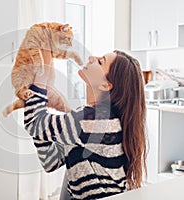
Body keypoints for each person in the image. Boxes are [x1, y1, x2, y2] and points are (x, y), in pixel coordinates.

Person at [23, 50, 147, 200]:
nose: (91, 58)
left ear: (105, 85)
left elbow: (34, 123)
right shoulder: (95, 119)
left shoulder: (95, 122)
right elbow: (50, 161)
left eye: (100, 61)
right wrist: (44, 122)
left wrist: (40, 81)